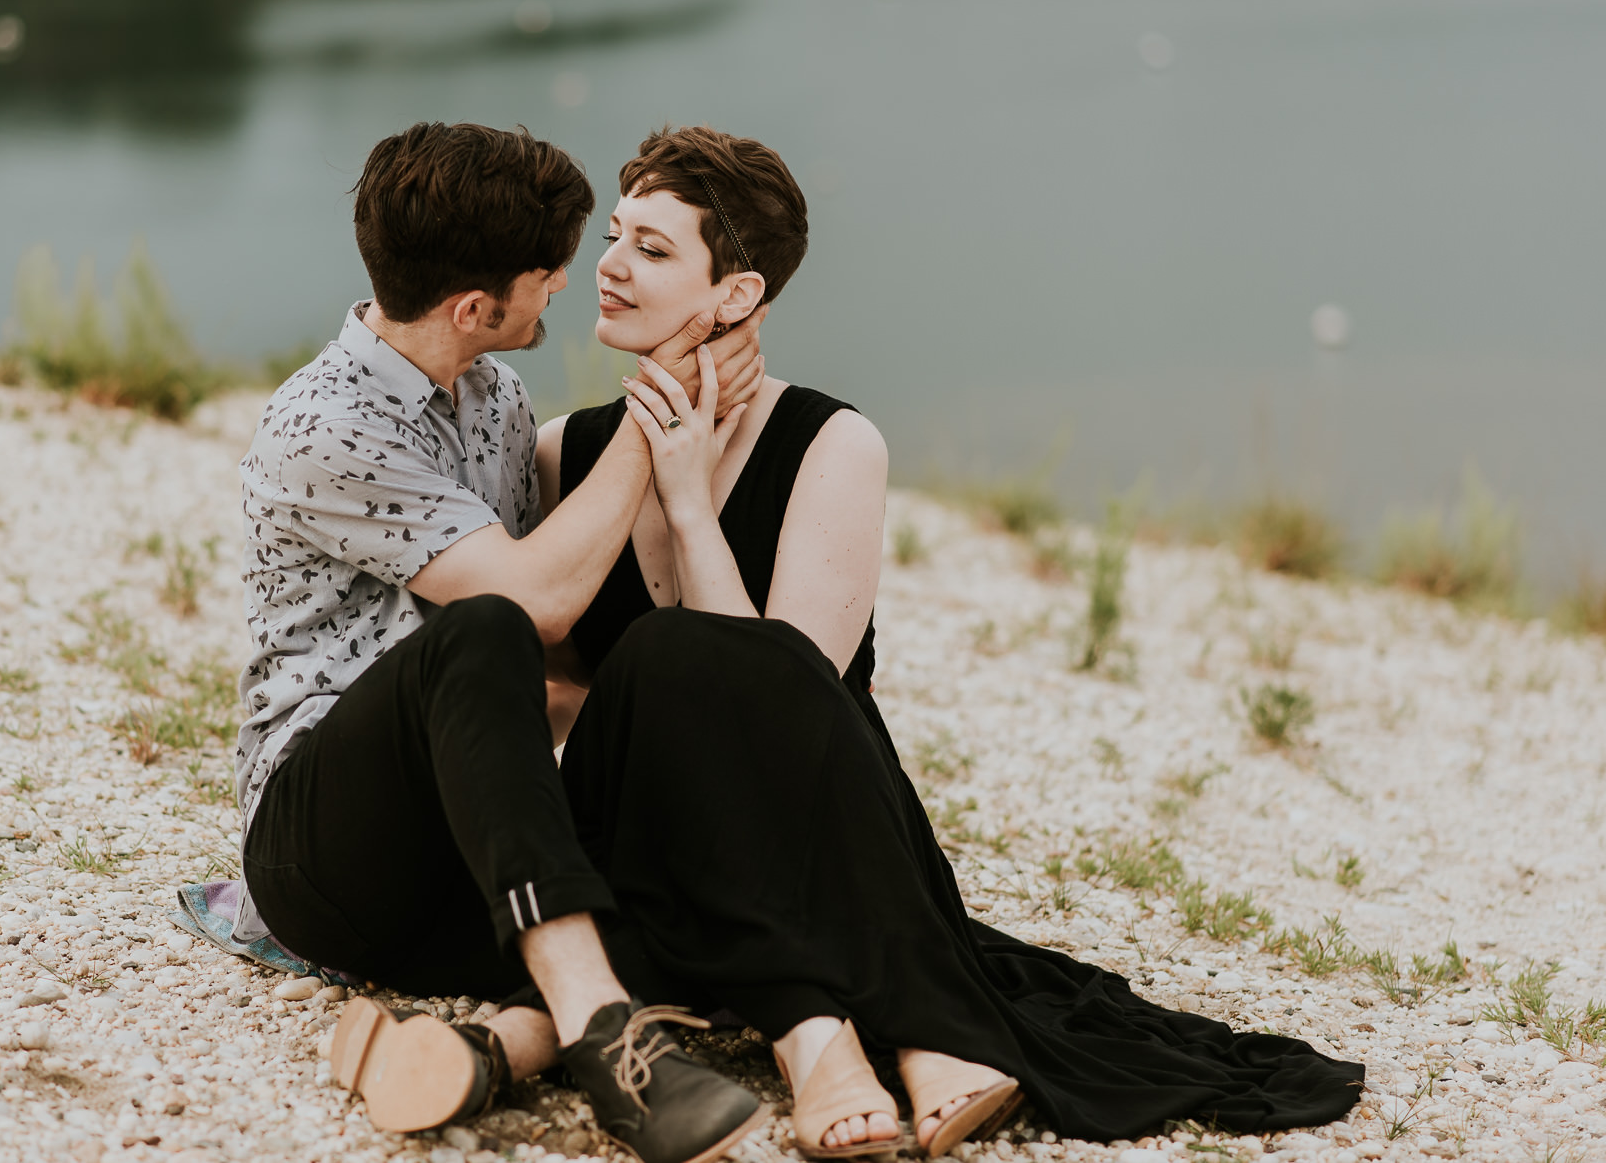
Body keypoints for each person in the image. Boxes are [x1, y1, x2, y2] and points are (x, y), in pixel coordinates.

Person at [538, 125, 1367, 1153]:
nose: (608, 266)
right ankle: (877, 1029)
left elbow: (783, 700)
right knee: (656, 667)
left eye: (653, 250)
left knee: (703, 663)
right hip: (644, 831)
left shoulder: (832, 448)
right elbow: (552, 679)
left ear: (737, 296)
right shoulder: (559, 455)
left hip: (807, 820)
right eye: (616, 236)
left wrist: (689, 503)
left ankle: (865, 1031)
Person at [233, 122, 774, 1163]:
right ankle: (605, 1035)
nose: (570, 283)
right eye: (548, 271)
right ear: (475, 307)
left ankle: (483, 1051)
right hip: (320, 851)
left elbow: (547, 683)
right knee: (487, 626)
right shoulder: (323, 429)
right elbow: (531, 610)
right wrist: (656, 410)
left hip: (466, 839)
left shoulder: (495, 399)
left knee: (702, 897)